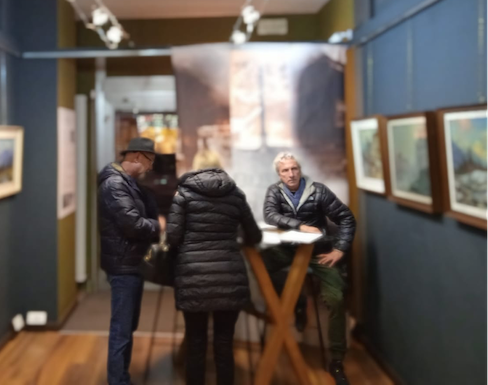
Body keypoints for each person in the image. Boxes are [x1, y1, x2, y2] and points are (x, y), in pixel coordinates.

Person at [263, 152, 356, 385]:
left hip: (317, 253)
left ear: (300, 169)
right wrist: (300, 226)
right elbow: (270, 215)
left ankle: (337, 361)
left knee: (336, 299)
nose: (291, 174)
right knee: (261, 265)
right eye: (285, 170)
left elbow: (346, 218)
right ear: (279, 174)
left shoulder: (319, 191)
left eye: (294, 168)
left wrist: (340, 249)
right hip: (288, 250)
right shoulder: (275, 191)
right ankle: (297, 302)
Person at [167, 168, 262, 385]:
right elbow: (254, 235)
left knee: (196, 342)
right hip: (229, 275)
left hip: (193, 276)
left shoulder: (183, 195)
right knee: (224, 343)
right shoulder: (236, 195)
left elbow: (172, 237)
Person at [98, 137, 166, 385]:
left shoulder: (127, 182)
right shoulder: (114, 184)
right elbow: (134, 224)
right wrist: (158, 226)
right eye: (150, 161)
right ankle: (118, 381)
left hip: (129, 262)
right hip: (123, 265)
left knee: (127, 327)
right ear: (137, 157)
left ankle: (121, 377)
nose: (151, 167)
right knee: (121, 330)